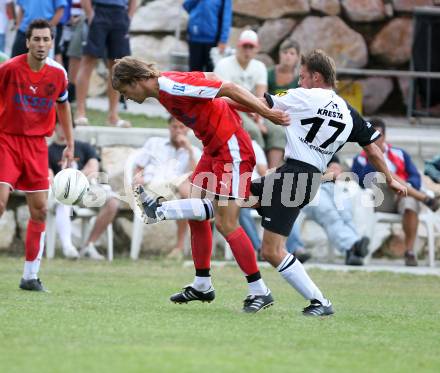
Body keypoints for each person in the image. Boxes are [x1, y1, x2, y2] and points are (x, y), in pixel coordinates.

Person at [138, 50, 409, 317]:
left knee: (272, 250)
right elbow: (373, 149)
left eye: (302, 77)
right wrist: (391, 178)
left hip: (296, 178)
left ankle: (319, 301)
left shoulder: (303, 96)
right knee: (226, 205)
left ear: (316, 77)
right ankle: (164, 215)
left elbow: (259, 103)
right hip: (298, 176)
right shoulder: (349, 113)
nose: (299, 81)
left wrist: (217, 98)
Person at [112, 56, 290, 313]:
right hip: (213, 148)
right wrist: (251, 107)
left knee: (226, 222)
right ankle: (202, 284)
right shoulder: (164, 90)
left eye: (124, 91)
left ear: (136, 80)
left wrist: (267, 112)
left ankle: (259, 290)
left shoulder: (171, 85)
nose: (126, 97)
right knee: (196, 210)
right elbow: (215, 93)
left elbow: (227, 87)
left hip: (231, 147)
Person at [0, 19, 74, 291]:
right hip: (5, 139)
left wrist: (70, 141)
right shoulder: (8, 69)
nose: (41, 44)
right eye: (37, 39)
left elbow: (64, 106)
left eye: (46, 39)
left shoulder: (58, 73)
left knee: (40, 209)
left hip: (37, 146)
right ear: (27, 42)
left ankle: (30, 276)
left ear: (51, 42)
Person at [352, 118, 439, 266]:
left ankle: (409, 252)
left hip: (403, 199)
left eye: (377, 135)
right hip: (380, 200)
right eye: (370, 135)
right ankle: (424, 198)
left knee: (410, 201)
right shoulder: (360, 159)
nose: (374, 139)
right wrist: (372, 158)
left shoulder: (400, 154)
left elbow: (415, 177)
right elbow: (360, 181)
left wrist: (405, 188)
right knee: (384, 174)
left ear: (385, 137)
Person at [133, 117, 202, 259]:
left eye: (181, 127)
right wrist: (137, 178)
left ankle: (179, 247)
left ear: (188, 129)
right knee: (187, 193)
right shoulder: (154, 143)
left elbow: (196, 177)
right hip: (153, 186)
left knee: (185, 189)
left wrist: (188, 150)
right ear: (169, 127)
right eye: (174, 127)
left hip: (176, 191)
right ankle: (201, 211)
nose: (177, 131)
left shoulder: (193, 151)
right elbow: (138, 167)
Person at [49, 125, 119, 260]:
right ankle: (68, 247)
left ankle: (89, 245)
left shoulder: (84, 147)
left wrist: (72, 177)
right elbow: (50, 177)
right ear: (54, 127)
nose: (64, 129)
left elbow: (93, 169)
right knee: (62, 200)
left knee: (113, 202)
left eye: (67, 126)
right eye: (60, 125)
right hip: (63, 192)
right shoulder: (49, 151)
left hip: (86, 191)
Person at [296, 156, 371, 266]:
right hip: (313, 190)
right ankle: (353, 247)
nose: (337, 171)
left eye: (338, 168)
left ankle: (353, 250)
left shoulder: (332, 155)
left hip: (334, 188)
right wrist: (325, 175)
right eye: (333, 168)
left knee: (346, 216)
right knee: (331, 216)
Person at [74, 0, 136, 128]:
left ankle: (113, 115)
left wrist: (128, 17)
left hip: (120, 13)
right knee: (88, 61)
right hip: (98, 10)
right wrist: (90, 14)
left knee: (117, 66)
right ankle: (80, 112)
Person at [214, 30, 268, 150]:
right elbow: (221, 97)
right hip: (231, 107)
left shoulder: (260, 67)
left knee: (277, 131)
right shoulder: (223, 64)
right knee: (254, 131)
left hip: (253, 107)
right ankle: (259, 167)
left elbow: (261, 96)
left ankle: (274, 168)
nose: (247, 50)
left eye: (251, 46)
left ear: (256, 48)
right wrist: (251, 110)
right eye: (245, 46)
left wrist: (260, 119)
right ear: (238, 46)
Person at [264, 39, 301, 168]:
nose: (288, 56)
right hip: (268, 114)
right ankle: (271, 171)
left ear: (297, 57)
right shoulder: (269, 73)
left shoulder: (299, 79)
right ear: (279, 54)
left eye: (292, 53)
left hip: (291, 117)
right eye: (285, 52)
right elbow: (262, 97)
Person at [183, 0, 232, 72]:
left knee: (212, 74)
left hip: (213, 41)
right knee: (194, 74)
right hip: (195, 38)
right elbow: (187, 6)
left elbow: (226, 17)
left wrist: (223, 40)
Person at [239, 140, 268, 254]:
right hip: (237, 193)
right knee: (240, 210)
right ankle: (260, 248)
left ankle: (295, 248)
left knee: (283, 205)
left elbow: (263, 172)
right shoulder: (222, 146)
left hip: (256, 187)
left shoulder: (253, 145)